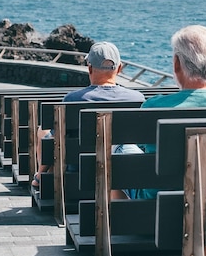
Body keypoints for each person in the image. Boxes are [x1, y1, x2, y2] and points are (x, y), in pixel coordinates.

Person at [121, 25, 206, 200]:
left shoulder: (153, 107)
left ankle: (121, 222)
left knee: (119, 150)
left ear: (176, 64)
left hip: (158, 210)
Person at [32, 41, 145, 187]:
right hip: (123, 170)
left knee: (44, 131)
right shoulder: (137, 98)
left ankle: (40, 176)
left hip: (78, 172)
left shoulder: (72, 99)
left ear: (90, 68)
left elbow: (55, 138)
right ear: (119, 69)